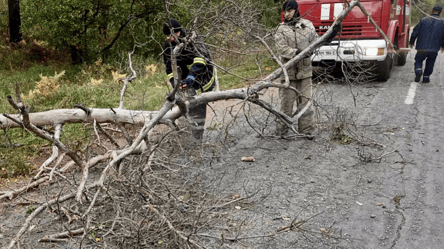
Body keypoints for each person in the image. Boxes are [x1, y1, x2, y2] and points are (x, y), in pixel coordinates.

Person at [162, 18, 215, 141]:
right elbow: (169, 69)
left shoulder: (193, 39)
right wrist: (175, 83)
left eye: (172, 35)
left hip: (203, 75)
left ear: (179, 31)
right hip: (184, 76)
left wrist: (192, 76)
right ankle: (186, 135)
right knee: (185, 106)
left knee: (198, 104)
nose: (170, 38)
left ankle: (198, 137)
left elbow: (201, 60)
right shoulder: (167, 46)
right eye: (167, 36)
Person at [274, 0, 318, 136]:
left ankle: (307, 131)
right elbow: (281, 49)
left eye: (290, 11)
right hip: (289, 74)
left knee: (305, 104)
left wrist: (311, 50)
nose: (287, 14)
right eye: (285, 11)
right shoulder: (281, 29)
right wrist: (296, 53)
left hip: (305, 73)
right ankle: (282, 132)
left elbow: (316, 41)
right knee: (286, 105)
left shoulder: (307, 26)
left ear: (296, 10)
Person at [409, 4, 444, 83]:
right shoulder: (443, 22)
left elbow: (415, 32)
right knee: (430, 63)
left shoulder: (423, 20)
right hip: (434, 49)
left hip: (421, 47)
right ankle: (426, 78)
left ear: (432, 11)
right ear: (440, 12)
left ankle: (418, 71)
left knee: (418, 60)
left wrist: (411, 42)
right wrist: (443, 46)